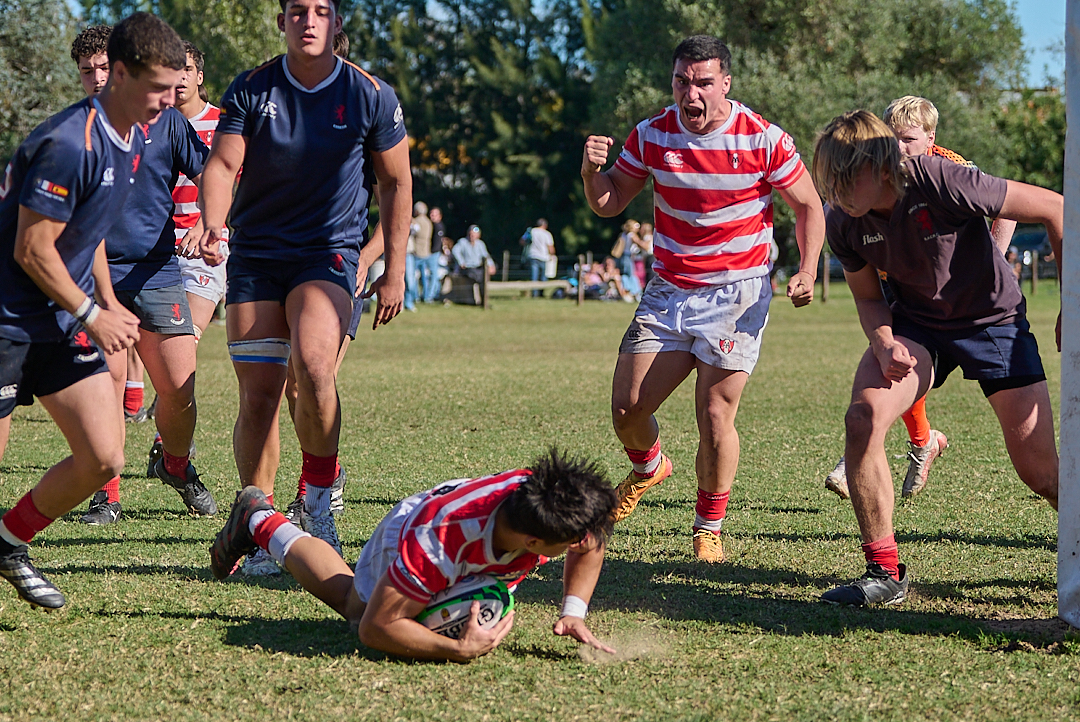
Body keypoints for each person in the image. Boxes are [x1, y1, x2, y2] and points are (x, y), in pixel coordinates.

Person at [580, 35, 823, 563]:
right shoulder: (652, 134)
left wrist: (806, 269)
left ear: (725, 84)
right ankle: (650, 468)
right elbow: (609, 202)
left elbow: (808, 205)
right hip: (668, 290)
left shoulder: (762, 138)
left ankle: (708, 526)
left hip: (737, 294)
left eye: (703, 83)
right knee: (626, 409)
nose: (691, 93)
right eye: (681, 82)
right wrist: (591, 173)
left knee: (714, 413)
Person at [812, 110, 1060, 606]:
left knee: (1040, 473)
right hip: (918, 326)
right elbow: (867, 297)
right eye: (829, 180)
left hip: (991, 322)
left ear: (880, 165)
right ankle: (884, 573)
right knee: (863, 419)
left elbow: (1056, 206)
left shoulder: (939, 178)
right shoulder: (841, 219)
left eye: (844, 178)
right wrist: (884, 341)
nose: (835, 192)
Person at [194, 0, 410, 561]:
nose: (308, 21)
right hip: (256, 255)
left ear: (336, 22)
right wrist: (214, 225)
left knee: (314, 370)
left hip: (326, 255)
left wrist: (394, 269)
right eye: (297, 11)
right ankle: (260, 526)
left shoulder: (371, 94)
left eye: (320, 11)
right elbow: (222, 166)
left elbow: (395, 182)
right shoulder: (251, 88)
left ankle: (317, 506)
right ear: (282, 20)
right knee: (259, 396)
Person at [0, 12, 183, 608]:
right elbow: (32, 249)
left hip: (61, 319)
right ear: (120, 75)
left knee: (104, 455)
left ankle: (6, 542)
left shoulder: (134, 138)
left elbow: (90, 231)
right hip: (7, 319)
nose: (169, 99)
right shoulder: (67, 144)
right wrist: (92, 313)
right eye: (159, 87)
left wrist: (104, 301)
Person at [209, 449, 617, 661]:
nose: (580, 544)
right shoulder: (437, 545)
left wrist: (573, 611)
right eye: (570, 542)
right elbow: (374, 630)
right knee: (355, 608)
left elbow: (591, 540)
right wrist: (456, 649)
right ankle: (258, 519)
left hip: (475, 531)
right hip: (416, 525)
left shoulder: (550, 506)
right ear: (532, 545)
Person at [823, 95, 1017, 501]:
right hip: (896, 283)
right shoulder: (874, 180)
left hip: (960, 297)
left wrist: (993, 258)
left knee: (906, 368)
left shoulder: (951, 168)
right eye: (891, 138)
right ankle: (889, 445)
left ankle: (914, 442)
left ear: (931, 138)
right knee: (892, 364)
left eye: (908, 139)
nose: (899, 148)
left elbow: (1010, 207)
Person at [78, 31, 216, 525]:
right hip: (98, 276)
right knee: (109, 384)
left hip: (158, 272)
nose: (98, 78)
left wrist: (208, 221)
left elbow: (212, 174)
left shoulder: (169, 121)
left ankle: (175, 466)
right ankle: (106, 495)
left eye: (105, 67)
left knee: (179, 388)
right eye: (87, 71)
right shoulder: (78, 129)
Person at [404, 201, 433, 311]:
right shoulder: (428, 222)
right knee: (421, 277)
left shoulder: (416, 222)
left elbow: (415, 231)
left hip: (413, 252)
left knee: (411, 278)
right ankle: (417, 298)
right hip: (420, 252)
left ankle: (411, 300)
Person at [521, 218, 555, 297]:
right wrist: (552, 255)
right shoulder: (547, 234)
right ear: (545, 225)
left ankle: (534, 293)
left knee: (534, 276)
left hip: (533, 255)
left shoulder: (531, 231)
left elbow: (522, 241)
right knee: (543, 276)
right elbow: (550, 247)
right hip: (544, 257)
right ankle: (541, 293)